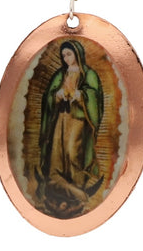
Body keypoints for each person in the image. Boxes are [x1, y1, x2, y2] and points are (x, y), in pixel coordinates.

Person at [37, 40, 103, 218]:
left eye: (69, 54)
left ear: (77, 54)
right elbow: (48, 96)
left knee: (73, 153)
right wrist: (56, 96)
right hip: (61, 118)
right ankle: (62, 189)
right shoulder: (61, 74)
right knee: (57, 154)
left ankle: (76, 188)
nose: (66, 58)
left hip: (78, 119)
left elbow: (94, 96)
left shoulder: (88, 74)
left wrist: (81, 96)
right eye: (64, 55)